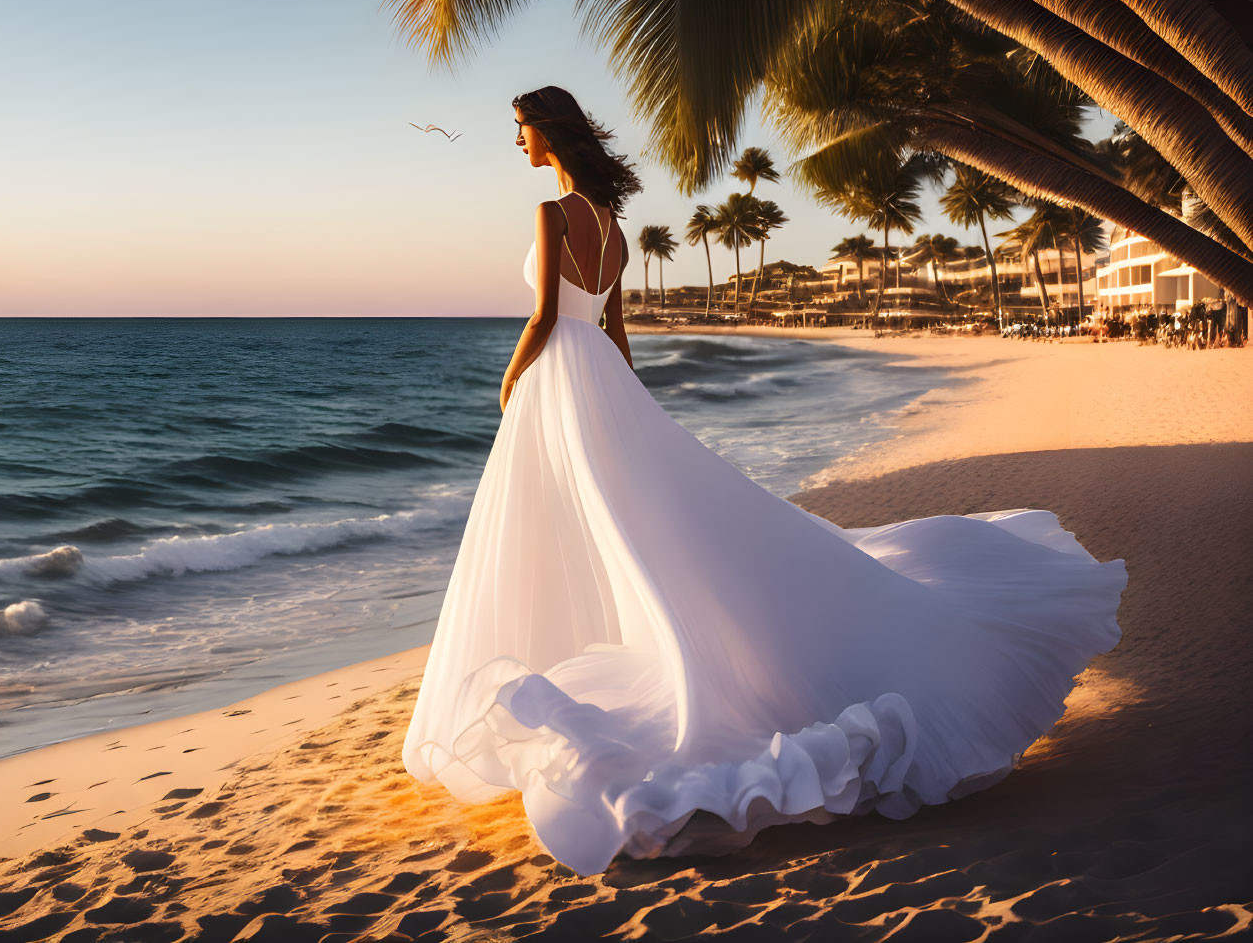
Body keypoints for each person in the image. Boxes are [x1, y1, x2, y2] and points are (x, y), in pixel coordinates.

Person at [400, 86, 1129, 876]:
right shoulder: (609, 226)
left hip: (556, 376)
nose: (517, 143)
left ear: (548, 132)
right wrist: (627, 398)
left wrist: (510, 380)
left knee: (564, 521)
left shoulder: (554, 215)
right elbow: (612, 328)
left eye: (520, 130)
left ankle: (570, 649)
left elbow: (545, 318)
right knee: (625, 521)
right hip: (601, 377)